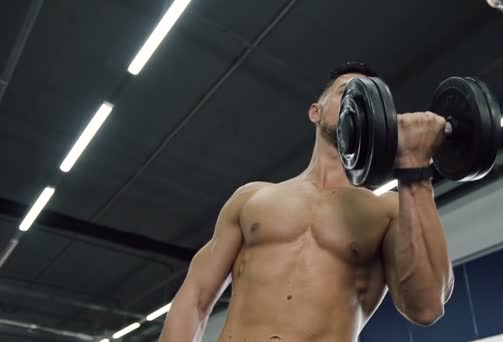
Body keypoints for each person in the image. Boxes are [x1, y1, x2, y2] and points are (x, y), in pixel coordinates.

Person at [159, 62, 454, 342]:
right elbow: (195, 298)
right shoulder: (251, 198)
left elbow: (426, 307)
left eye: (367, 97)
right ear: (315, 112)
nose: (357, 102)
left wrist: (415, 166)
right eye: (346, 91)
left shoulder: (387, 210)